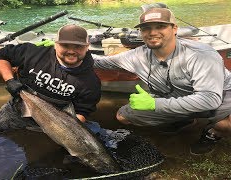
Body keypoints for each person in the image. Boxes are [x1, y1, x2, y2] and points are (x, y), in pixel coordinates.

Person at [92, 7, 231, 155]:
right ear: (140, 32)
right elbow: (99, 63)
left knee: (226, 125)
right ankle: (184, 120)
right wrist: (71, 53)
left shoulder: (201, 54)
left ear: (175, 28)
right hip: (177, 98)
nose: (152, 32)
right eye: (146, 28)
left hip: (222, 96)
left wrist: (154, 104)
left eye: (161, 26)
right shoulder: (135, 56)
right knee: (123, 116)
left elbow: (210, 100)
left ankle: (213, 133)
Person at [0, 24, 101, 132]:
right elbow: (0, 55)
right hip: (17, 110)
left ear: (87, 47)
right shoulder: (33, 53)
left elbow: (82, 112)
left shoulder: (91, 83)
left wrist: (67, 133)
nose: (71, 51)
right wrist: (10, 80)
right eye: (65, 45)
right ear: (56, 44)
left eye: (78, 46)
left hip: (54, 123)